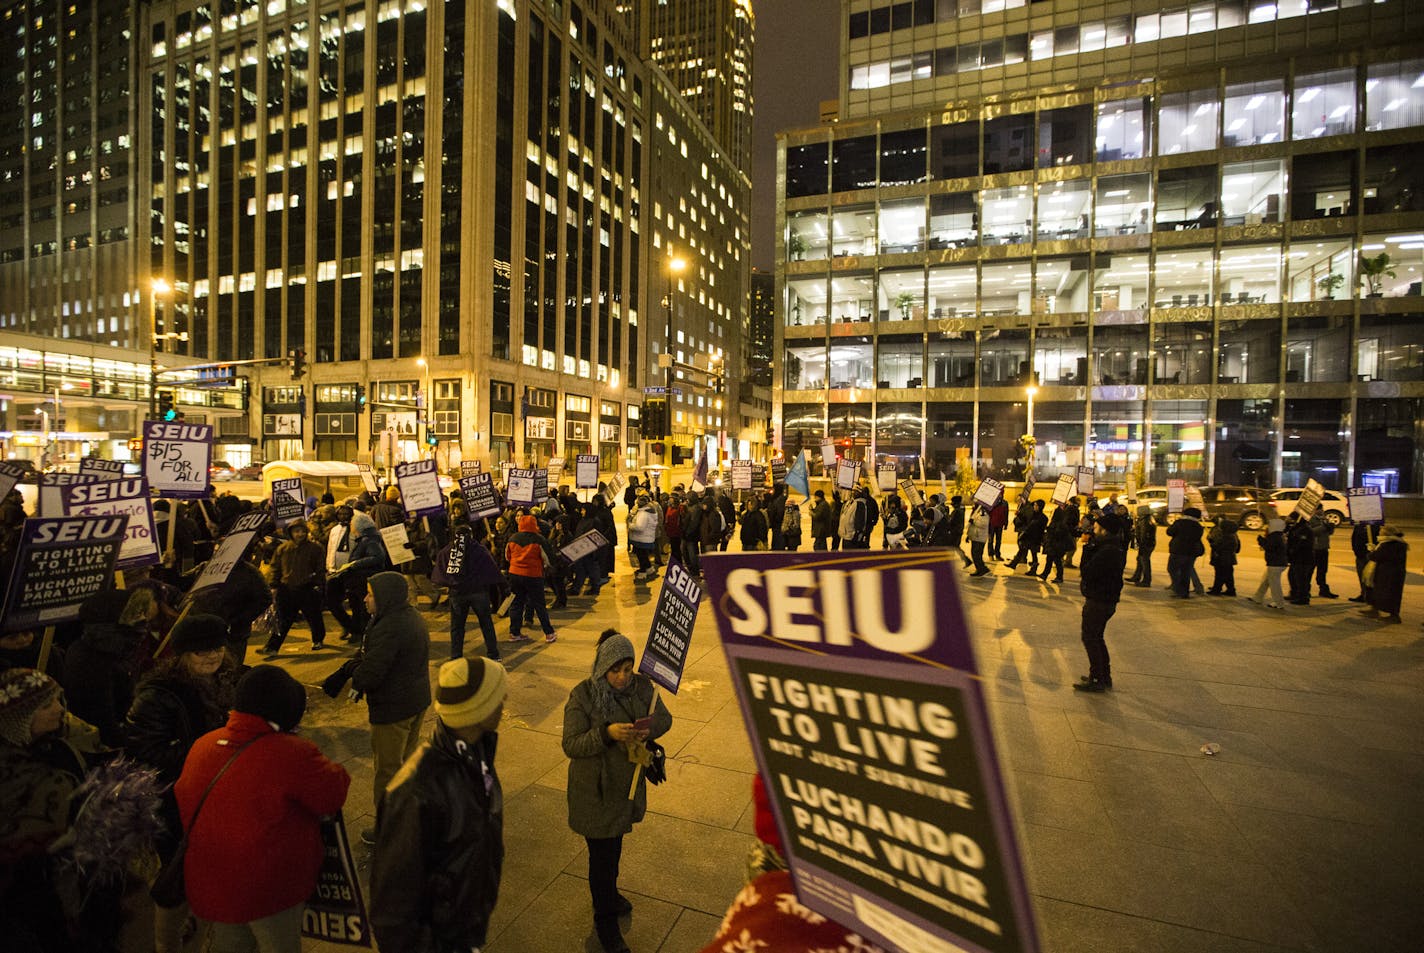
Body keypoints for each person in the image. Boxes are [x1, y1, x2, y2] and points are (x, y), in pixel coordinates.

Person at [176, 666, 350, 953]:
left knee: (230, 945)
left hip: (212, 883)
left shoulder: (203, 745)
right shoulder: (292, 752)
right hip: (269, 890)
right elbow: (332, 794)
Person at [371, 657, 508, 953]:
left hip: (462, 928)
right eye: (499, 697)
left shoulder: (476, 751)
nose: (504, 702)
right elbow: (392, 913)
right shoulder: (415, 790)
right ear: (479, 710)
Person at [126, 613, 236, 953]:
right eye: (201, 651)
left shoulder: (228, 679)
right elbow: (145, 751)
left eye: (216, 648)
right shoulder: (159, 694)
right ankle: (175, 924)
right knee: (179, 866)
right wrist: (210, 749)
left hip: (216, 793)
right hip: (175, 798)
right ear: (182, 654)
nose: (211, 656)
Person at [563, 630, 672, 953]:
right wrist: (606, 734)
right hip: (594, 792)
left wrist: (646, 727)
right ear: (602, 667)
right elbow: (571, 744)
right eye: (615, 670)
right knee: (603, 859)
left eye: (627, 668)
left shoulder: (642, 687)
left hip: (626, 787)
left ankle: (608, 896)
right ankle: (606, 922)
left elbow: (664, 719)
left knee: (613, 850)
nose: (622, 677)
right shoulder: (583, 695)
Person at [0, 668, 89, 953]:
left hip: (57, 884)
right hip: (22, 896)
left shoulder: (52, 747)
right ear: (20, 717)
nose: (60, 709)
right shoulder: (10, 770)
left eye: (58, 700)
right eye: (47, 704)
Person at [351, 571, 433, 846]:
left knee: (388, 769)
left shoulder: (390, 626)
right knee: (407, 764)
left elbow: (374, 670)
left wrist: (357, 678)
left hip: (395, 708)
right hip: (414, 701)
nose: (365, 599)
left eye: (370, 594)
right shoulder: (409, 616)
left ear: (384, 596)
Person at [433, 521, 505, 662]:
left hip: (457, 594)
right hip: (478, 593)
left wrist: (451, 583)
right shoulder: (479, 550)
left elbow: (439, 571)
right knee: (486, 624)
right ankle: (493, 654)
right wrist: (503, 586)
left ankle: (456, 656)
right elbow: (491, 568)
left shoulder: (448, 551)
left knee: (457, 627)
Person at [1075, 514, 1127, 692]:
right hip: (1105, 599)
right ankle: (1103, 675)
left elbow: (1087, 571)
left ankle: (1097, 678)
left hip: (1099, 600)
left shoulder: (1107, 551)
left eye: (1096, 528)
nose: (1094, 531)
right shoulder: (1113, 546)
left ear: (1104, 530)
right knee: (1097, 637)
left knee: (1090, 637)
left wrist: (1087, 548)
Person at [263, 521, 328, 653]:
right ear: (291, 533)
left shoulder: (315, 549)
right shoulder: (284, 549)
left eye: (302, 531)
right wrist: (273, 584)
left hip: (307, 588)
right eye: (297, 531)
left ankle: (318, 639)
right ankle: (272, 647)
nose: (300, 534)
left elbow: (320, 568)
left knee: (313, 617)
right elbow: (276, 567)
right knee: (283, 620)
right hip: (286, 589)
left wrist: (318, 584)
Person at [504, 514, 559, 642]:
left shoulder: (512, 538)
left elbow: (507, 557)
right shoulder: (539, 539)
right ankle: (549, 633)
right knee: (539, 604)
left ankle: (514, 633)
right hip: (533, 576)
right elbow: (548, 559)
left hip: (515, 575)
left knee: (516, 604)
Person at [1361, 525, 1407, 624]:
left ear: (1387, 533)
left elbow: (1376, 556)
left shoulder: (1389, 544)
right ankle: (1375, 609)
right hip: (1391, 573)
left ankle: (1394, 616)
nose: (1379, 532)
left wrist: (1371, 551)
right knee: (1380, 592)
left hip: (1389, 574)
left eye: (1382, 531)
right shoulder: (1395, 543)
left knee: (1390, 594)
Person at [1248, 518, 1289, 609]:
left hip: (1275, 564)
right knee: (1265, 581)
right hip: (1277, 563)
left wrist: (1260, 540)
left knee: (1274, 583)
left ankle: (1279, 602)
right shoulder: (1279, 535)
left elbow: (1269, 547)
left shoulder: (1275, 536)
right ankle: (1257, 597)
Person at [1165, 506, 1204, 598]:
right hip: (1191, 552)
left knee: (1172, 569)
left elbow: (1169, 532)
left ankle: (1178, 588)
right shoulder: (1198, 526)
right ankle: (1184, 592)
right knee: (1186, 572)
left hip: (1178, 550)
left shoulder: (1180, 523)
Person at [627, 494, 662, 580]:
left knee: (641, 556)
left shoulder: (644, 513)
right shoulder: (648, 511)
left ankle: (642, 573)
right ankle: (649, 569)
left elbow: (640, 527)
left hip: (642, 539)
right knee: (643, 555)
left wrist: (630, 525)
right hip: (645, 538)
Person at [1007, 498, 1047, 573]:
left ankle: (1033, 569)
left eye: (1036, 505)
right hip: (1029, 537)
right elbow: (1027, 521)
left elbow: (1037, 527)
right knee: (1022, 550)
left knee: (1033, 554)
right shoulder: (1033, 514)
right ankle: (1013, 564)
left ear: (1039, 507)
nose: (1034, 507)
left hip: (1035, 538)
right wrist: (1019, 514)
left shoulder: (1043, 517)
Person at [1284, 514, 1315, 605]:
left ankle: (1303, 598)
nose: (1289, 519)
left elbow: (1301, 543)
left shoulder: (1305, 529)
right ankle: (1295, 594)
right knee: (1292, 576)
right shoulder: (1296, 528)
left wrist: (1292, 550)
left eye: (1291, 518)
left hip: (1303, 558)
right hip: (1296, 558)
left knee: (1301, 579)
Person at [1206, 518, 1240, 597]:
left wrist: (1211, 541)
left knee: (1220, 575)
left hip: (1222, 559)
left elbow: (1218, 547)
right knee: (1228, 575)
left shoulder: (1226, 537)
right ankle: (1230, 590)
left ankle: (1216, 589)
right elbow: (1238, 548)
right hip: (1229, 559)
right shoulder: (1234, 535)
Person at [1349, 522, 1381, 603]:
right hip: (1359, 555)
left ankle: (1370, 597)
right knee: (1362, 576)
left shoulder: (1374, 526)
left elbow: (1376, 539)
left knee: (1369, 578)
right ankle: (1364, 594)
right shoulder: (1358, 526)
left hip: (1368, 555)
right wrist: (1355, 550)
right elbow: (1354, 538)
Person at [1308, 511, 1338, 598]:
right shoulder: (1311, 519)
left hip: (1324, 548)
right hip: (1314, 549)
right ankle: (1305, 590)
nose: (1322, 511)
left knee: (1323, 570)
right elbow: (1310, 532)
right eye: (1320, 509)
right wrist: (1323, 527)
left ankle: (1323, 589)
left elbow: (1329, 533)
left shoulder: (1324, 519)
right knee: (1309, 571)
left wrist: (1331, 527)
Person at [965, 503, 990, 576]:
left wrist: (974, 521)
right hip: (975, 536)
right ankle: (982, 568)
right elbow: (971, 525)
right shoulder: (977, 512)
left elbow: (983, 524)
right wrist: (968, 535)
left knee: (976, 554)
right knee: (976, 554)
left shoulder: (983, 513)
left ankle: (981, 569)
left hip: (979, 537)